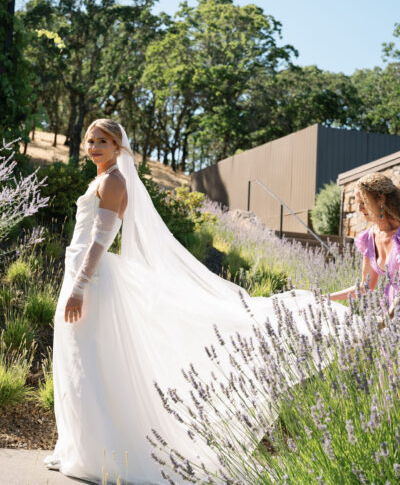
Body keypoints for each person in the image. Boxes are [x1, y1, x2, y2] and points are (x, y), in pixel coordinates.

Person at [43, 119, 350, 484]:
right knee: (79, 361)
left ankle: (99, 454)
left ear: (118, 147)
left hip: (90, 281)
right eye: (90, 140)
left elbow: (101, 239)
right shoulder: (100, 178)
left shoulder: (113, 182)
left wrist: (80, 286)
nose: (94, 146)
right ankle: (80, 447)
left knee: (89, 362)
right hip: (80, 275)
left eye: (103, 141)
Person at [329, 172, 400, 321]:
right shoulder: (369, 238)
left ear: (381, 200)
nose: (360, 209)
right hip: (390, 313)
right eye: (358, 204)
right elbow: (365, 287)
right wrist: (327, 298)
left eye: (364, 203)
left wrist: (388, 318)